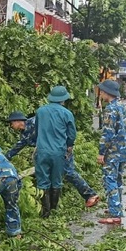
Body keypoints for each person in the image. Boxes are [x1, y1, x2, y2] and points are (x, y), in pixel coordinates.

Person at [6, 111, 99, 208]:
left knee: (68, 172)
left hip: (61, 148)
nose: (11, 126)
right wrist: (5, 158)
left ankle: (91, 195)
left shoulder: (36, 121)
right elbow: (18, 147)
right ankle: (52, 207)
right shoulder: (24, 134)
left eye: (11, 123)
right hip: (50, 153)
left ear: (17, 121)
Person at [34, 86, 76, 218]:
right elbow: (72, 134)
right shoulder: (67, 113)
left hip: (42, 150)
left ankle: (45, 213)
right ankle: (54, 210)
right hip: (58, 151)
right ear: (63, 100)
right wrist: (69, 145)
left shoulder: (40, 111)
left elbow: (37, 129)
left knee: (42, 181)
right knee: (56, 180)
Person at [96, 80, 126, 225]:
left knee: (109, 179)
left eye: (102, 91)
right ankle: (116, 205)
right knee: (118, 179)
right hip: (123, 150)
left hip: (113, 151)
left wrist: (101, 152)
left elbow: (108, 133)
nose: (101, 93)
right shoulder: (123, 106)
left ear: (107, 92)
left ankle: (115, 214)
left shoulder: (110, 109)